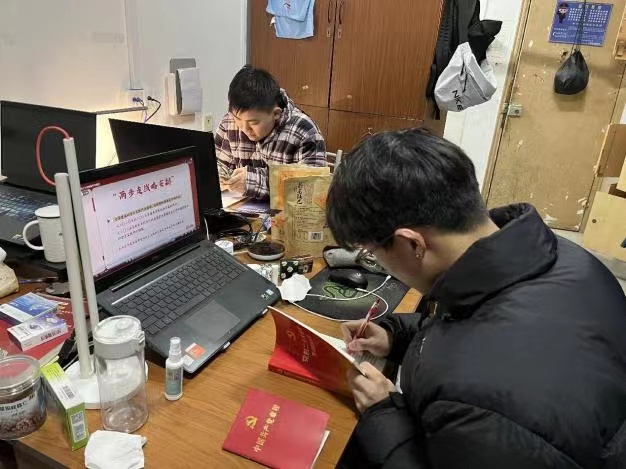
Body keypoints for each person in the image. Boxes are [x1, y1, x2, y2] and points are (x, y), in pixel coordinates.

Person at [327, 128, 626, 468]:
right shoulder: (565, 257)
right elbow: (480, 325)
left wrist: (384, 414)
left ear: (412, 244)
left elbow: (484, 366)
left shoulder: (475, 399)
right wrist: (397, 336)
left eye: (371, 252)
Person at [215, 65, 326, 199]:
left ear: (276, 114)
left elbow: (311, 190)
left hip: (283, 212)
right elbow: (219, 164)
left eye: (253, 123)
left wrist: (254, 182)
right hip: (236, 207)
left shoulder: (304, 131)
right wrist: (220, 177)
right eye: (237, 119)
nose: (244, 128)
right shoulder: (230, 121)